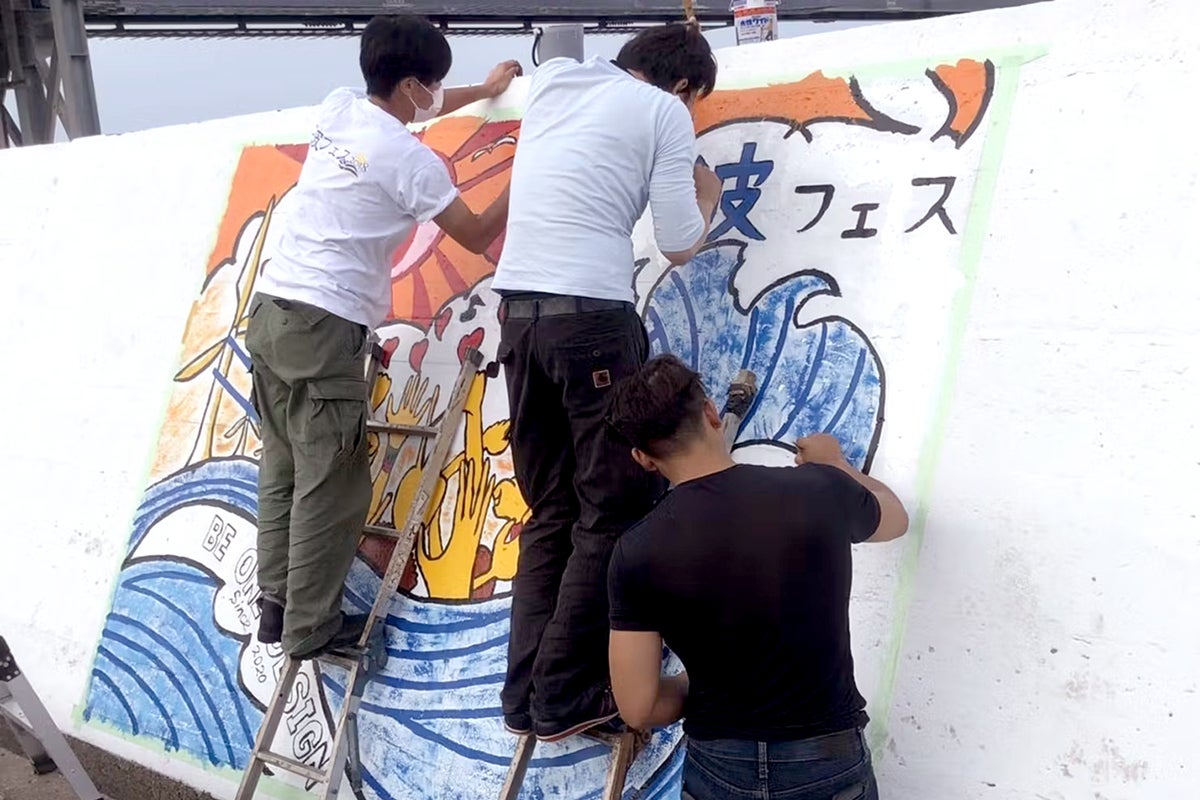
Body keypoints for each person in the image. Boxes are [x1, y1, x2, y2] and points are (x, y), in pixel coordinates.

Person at [246, 14, 521, 661]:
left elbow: (415, 110)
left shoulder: (339, 109)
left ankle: (276, 602)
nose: (437, 94)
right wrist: (529, 168)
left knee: (283, 464)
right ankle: (310, 629)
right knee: (334, 484)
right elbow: (476, 233)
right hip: (325, 326)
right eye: (433, 83)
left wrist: (481, 92)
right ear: (410, 85)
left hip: (271, 310)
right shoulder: (410, 161)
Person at [491, 23, 725, 742]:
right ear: (683, 86)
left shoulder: (556, 83)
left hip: (519, 319)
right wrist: (707, 196)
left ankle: (526, 697)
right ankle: (565, 696)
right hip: (592, 317)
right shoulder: (664, 112)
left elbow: (557, 42)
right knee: (613, 506)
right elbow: (678, 242)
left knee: (552, 510)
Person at [604, 354, 909, 800]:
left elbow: (638, 706)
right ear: (711, 413)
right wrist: (837, 464)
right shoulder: (820, 489)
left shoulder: (635, 551)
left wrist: (698, 686)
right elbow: (895, 518)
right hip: (825, 756)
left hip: (719, 765)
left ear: (643, 458)